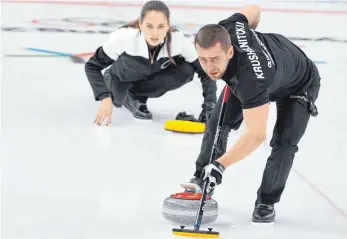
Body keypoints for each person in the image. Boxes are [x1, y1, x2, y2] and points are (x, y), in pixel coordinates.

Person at [184, 4, 321, 224]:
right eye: (203, 60)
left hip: (299, 83)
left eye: (215, 60)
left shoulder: (252, 80)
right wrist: (252, 41)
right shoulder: (230, 26)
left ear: (229, 51)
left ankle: (266, 202)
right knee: (218, 123)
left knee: (284, 143)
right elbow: (254, 9)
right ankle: (202, 178)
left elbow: (256, 135)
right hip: (268, 68)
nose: (209, 67)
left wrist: (221, 165)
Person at [85, 0, 217, 125]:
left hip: (144, 79)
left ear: (168, 25)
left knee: (186, 70)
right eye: (149, 26)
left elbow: (205, 71)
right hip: (120, 78)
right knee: (119, 97)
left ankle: (137, 95)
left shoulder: (178, 41)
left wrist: (210, 105)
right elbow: (92, 66)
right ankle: (120, 89)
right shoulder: (124, 38)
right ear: (141, 24)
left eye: (161, 26)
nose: (155, 33)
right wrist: (104, 97)